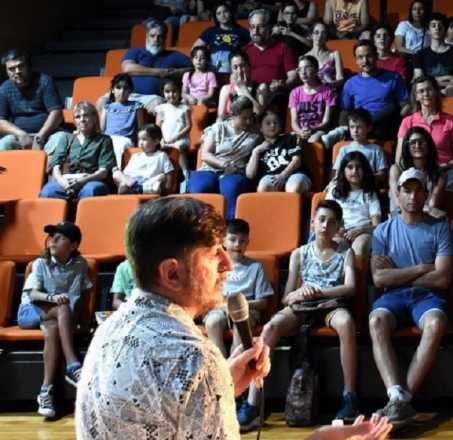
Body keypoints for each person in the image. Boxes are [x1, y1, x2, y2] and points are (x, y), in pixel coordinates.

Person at [76, 197, 391, 439]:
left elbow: (161, 402)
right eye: (215, 253)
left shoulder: (109, 328)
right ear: (172, 272)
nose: (228, 263)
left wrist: (223, 382)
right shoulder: (193, 358)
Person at [237, 199, 363, 429]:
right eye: (322, 220)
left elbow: (351, 287)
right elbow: (287, 297)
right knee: (271, 327)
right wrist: (300, 292)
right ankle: (253, 403)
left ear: (338, 227)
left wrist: (318, 292)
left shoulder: (346, 252)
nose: (325, 226)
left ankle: (349, 396)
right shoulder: (299, 254)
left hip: (330, 304)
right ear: (312, 223)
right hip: (303, 304)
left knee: (345, 322)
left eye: (332, 222)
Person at [369, 168, 453, 428]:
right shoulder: (382, 231)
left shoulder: (440, 227)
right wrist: (421, 268)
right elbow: (379, 280)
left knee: (435, 324)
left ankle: (400, 399)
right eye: (407, 190)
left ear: (426, 194)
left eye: (418, 190)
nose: (413, 196)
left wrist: (397, 273)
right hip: (393, 296)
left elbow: (442, 279)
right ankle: (397, 396)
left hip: (428, 297)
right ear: (397, 194)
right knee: (376, 321)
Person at [19, 222, 90, 419]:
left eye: (60, 238)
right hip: (30, 311)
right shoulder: (40, 264)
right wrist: (53, 298)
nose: (53, 241)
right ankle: (73, 365)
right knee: (62, 307)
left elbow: (75, 296)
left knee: (52, 330)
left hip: (57, 315)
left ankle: (45, 392)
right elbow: (32, 294)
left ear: (73, 245)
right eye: (52, 237)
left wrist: (69, 318)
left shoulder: (79, 265)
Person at [202, 219, 274, 357]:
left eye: (242, 241)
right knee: (212, 322)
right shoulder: (214, 266)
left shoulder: (255, 267)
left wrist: (238, 307)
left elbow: (263, 303)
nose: (237, 245)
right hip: (220, 309)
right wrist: (225, 306)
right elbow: (209, 299)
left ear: (247, 243)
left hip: (247, 310)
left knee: (239, 325)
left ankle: (236, 365)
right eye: (233, 240)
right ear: (223, 241)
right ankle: (221, 366)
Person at [189, 97, 260, 219]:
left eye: (250, 117)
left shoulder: (255, 133)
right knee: (200, 187)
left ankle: (230, 229)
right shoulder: (218, 128)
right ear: (233, 115)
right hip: (211, 168)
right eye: (244, 118)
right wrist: (224, 164)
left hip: (236, 172)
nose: (248, 121)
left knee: (230, 187)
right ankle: (201, 226)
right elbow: (205, 154)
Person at [396, 75, 453, 185]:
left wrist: (446, 166)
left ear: (436, 92)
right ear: (416, 96)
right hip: (415, 171)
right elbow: (399, 159)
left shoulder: (451, 121)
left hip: (443, 170)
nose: (425, 94)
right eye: (421, 91)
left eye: (429, 89)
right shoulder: (407, 122)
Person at [40, 101, 116, 200]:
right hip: (67, 180)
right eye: (78, 117)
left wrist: (81, 181)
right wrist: (63, 183)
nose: (82, 120)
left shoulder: (104, 140)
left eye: (86, 116)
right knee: (48, 191)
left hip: (91, 180)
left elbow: (103, 172)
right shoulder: (66, 139)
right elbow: (56, 167)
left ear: (94, 118)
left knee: (90, 190)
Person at [0, 50, 71, 153]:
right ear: (7, 71)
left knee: (61, 139)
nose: (17, 71)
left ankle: (51, 168)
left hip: (49, 134)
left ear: (28, 66)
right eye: (12, 69)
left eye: (21, 66)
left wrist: (40, 137)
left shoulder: (44, 81)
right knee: (3, 144)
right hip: (20, 137)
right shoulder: (4, 89)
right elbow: (1, 121)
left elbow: (57, 113)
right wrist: (20, 134)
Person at [340, 40, 410, 139]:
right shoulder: (350, 83)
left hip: (385, 125)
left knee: (392, 107)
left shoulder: (393, 78)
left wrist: (398, 120)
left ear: (376, 56)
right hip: (359, 127)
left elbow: (406, 106)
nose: (365, 61)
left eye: (369, 56)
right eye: (360, 57)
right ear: (356, 60)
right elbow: (345, 111)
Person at [120, 19, 193, 113]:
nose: (156, 40)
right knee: (103, 101)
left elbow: (193, 68)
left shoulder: (174, 55)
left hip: (154, 98)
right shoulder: (136, 52)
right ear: (147, 37)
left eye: (160, 36)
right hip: (129, 93)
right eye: (152, 36)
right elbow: (127, 68)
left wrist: (176, 72)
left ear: (165, 38)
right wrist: (159, 72)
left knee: (158, 106)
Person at [325, 151, 383, 257]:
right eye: (350, 167)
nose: (355, 171)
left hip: (364, 232)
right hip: (340, 232)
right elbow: (326, 215)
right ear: (343, 170)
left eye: (359, 167)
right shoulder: (335, 191)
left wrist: (359, 230)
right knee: (336, 247)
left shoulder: (370, 193)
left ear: (365, 170)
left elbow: (377, 226)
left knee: (359, 247)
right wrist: (337, 229)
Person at [245, 111, 312, 194]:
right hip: (271, 176)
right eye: (268, 123)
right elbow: (250, 175)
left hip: (294, 173)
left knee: (294, 188)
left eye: (275, 123)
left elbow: (297, 161)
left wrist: (283, 175)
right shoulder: (257, 147)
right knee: (263, 188)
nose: (272, 125)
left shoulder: (290, 138)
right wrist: (255, 152)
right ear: (261, 128)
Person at [389, 127, 447, 218]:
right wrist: (428, 209)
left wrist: (429, 209)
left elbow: (433, 203)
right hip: (400, 218)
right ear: (406, 146)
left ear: (429, 144)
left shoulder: (439, 174)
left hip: (425, 219)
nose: (417, 146)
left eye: (421, 141)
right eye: (413, 142)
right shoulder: (396, 170)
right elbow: (398, 203)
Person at [243, 9, 299, 95]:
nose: (255, 31)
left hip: (276, 94)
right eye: (253, 27)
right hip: (252, 93)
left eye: (260, 26)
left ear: (269, 27)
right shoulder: (245, 50)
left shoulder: (283, 48)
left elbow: (293, 75)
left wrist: (283, 85)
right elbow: (236, 76)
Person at [413, 14, 453, 97]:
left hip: (449, 93)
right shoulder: (420, 54)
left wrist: (432, 80)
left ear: (445, 29)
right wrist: (449, 77)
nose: (437, 28)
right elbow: (420, 82)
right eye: (433, 26)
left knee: (451, 89)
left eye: (440, 26)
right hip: (427, 92)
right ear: (428, 30)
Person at [330, 108, 388, 185]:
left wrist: (363, 178)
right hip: (346, 187)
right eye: (352, 127)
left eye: (359, 127)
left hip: (367, 186)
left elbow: (382, 175)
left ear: (369, 128)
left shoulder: (376, 150)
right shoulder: (344, 150)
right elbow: (337, 172)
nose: (355, 131)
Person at [289, 55, 338, 145]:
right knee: (292, 140)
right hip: (301, 131)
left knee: (313, 140)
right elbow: (294, 122)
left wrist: (312, 129)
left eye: (307, 67)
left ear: (316, 70)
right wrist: (300, 132)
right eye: (300, 69)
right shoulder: (294, 93)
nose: (303, 72)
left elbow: (326, 122)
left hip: (318, 130)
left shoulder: (327, 91)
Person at [113, 124, 175, 194]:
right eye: (139, 139)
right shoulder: (136, 156)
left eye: (144, 139)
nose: (141, 143)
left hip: (149, 182)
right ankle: (137, 188)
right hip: (132, 181)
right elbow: (126, 173)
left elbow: (169, 173)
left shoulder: (161, 155)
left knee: (162, 177)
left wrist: (168, 191)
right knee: (116, 173)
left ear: (156, 141)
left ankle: (140, 189)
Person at [100, 74, 145, 168]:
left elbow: (141, 128)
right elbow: (102, 129)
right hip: (108, 138)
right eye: (118, 88)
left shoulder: (136, 106)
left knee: (117, 145)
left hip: (125, 139)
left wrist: (140, 144)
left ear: (130, 91)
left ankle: (116, 173)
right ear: (112, 90)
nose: (122, 91)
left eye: (126, 88)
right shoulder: (107, 107)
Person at [193, 2, 251, 73]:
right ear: (216, 17)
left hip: (233, 62)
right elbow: (195, 48)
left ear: (230, 12)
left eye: (225, 11)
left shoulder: (241, 31)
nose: (222, 15)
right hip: (213, 62)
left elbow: (254, 46)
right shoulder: (211, 31)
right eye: (219, 13)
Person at [155, 79, 193, 174]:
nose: (171, 95)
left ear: (179, 92)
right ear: (163, 92)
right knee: (160, 149)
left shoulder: (184, 108)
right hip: (165, 139)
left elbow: (188, 126)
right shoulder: (161, 108)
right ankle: (166, 174)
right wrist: (161, 139)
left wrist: (177, 137)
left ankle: (185, 173)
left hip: (180, 138)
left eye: (174, 91)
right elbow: (157, 126)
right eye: (167, 92)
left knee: (179, 146)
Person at [218, 51, 270, 120]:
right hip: (230, 126)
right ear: (231, 70)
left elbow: (258, 112)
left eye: (242, 66)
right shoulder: (226, 89)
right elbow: (220, 116)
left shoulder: (261, 87)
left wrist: (244, 89)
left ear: (249, 66)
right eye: (235, 67)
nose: (240, 71)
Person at [305, 22, 345, 90]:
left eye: (323, 33)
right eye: (316, 32)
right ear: (311, 35)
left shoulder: (334, 54)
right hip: (312, 93)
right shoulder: (305, 57)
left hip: (330, 91)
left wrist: (330, 84)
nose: (320, 36)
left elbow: (340, 79)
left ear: (326, 35)